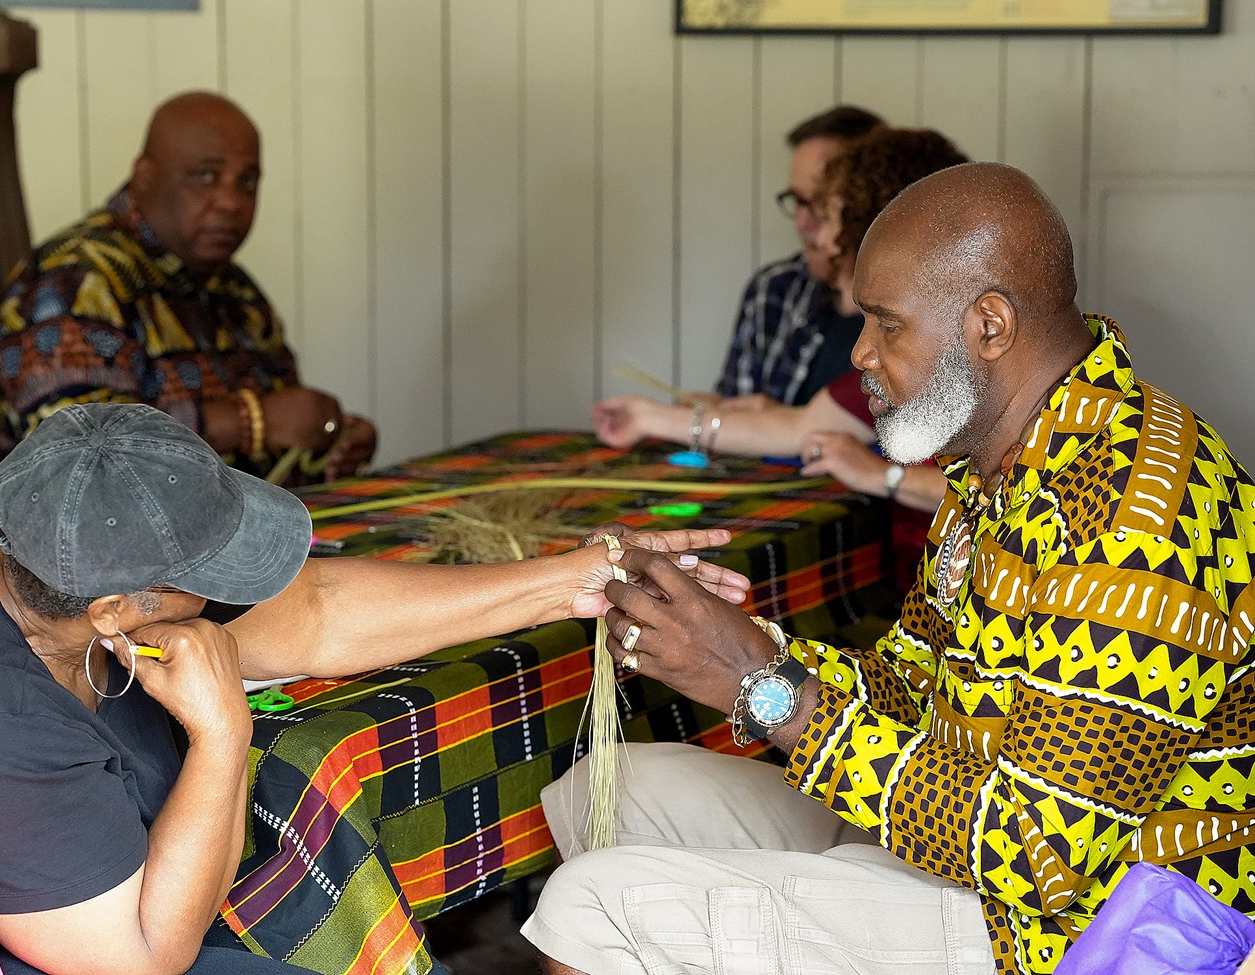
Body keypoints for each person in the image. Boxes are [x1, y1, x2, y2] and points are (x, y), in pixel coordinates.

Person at [524, 162, 1255, 975]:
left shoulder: (1136, 509)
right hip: (968, 849)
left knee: (594, 906)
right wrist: (737, 644)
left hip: (1075, 930)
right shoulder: (1002, 461)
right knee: (615, 786)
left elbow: (1039, 852)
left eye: (887, 323)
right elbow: (912, 683)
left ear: (990, 325)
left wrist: (765, 690)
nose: (862, 353)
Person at [0, 402, 750, 975]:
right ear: (115, 612)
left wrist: (573, 580)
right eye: (204, 579)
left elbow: (316, 614)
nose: (225, 595)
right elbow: (141, 955)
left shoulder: (37, 540)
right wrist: (222, 733)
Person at [597, 128, 968, 588]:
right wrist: (658, 415)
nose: (825, 238)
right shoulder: (900, 342)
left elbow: (1007, 498)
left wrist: (884, 477)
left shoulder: (956, 350)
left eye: (831, 215)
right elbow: (803, 425)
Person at [0, 91, 376, 482]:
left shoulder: (236, 291)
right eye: (205, 176)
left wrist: (327, 445)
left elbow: (278, 440)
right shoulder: (76, 281)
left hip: (238, 532)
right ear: (144, 177)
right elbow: (79, 459)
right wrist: (250, 422)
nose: (231, 201)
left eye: (247, 181)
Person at [712, 105, 883, 406]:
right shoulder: (775, 288)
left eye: (820, 204)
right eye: (796, 200)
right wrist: (708, 413)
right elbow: (736, 407)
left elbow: (824, 427)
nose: (803, 222)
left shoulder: (914, 313)